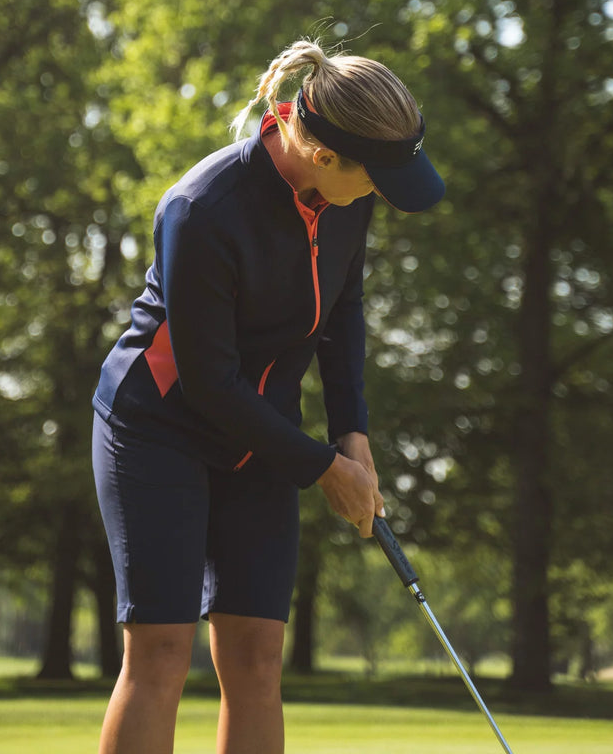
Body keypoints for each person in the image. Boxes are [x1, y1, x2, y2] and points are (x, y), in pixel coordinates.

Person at [91, 38, 444, 754]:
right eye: (374, 178)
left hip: (267, 432)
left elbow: (344, 315)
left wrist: (355, 438)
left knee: (255, 655)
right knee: (160, 649)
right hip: (158, 427)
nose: (379, 192)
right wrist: (321, 470)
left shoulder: (349, 197)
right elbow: (209, 383)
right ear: (322, 157)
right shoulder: (201, 209)